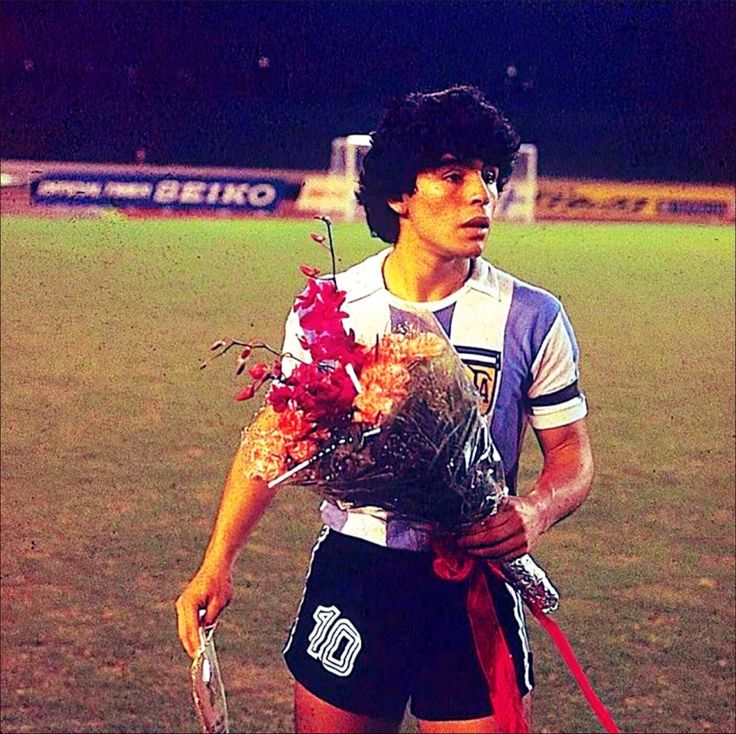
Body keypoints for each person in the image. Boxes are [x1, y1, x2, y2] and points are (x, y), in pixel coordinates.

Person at [176, 85, 594, 733]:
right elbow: (277, 437)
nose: (481, 194)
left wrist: (534, 509)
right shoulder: (336, 306)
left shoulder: (532, 316)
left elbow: (571, 458)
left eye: (487, 177)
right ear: (400, 193)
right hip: (358, 577)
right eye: (453, 176)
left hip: (472, 585)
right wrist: (217, 561)